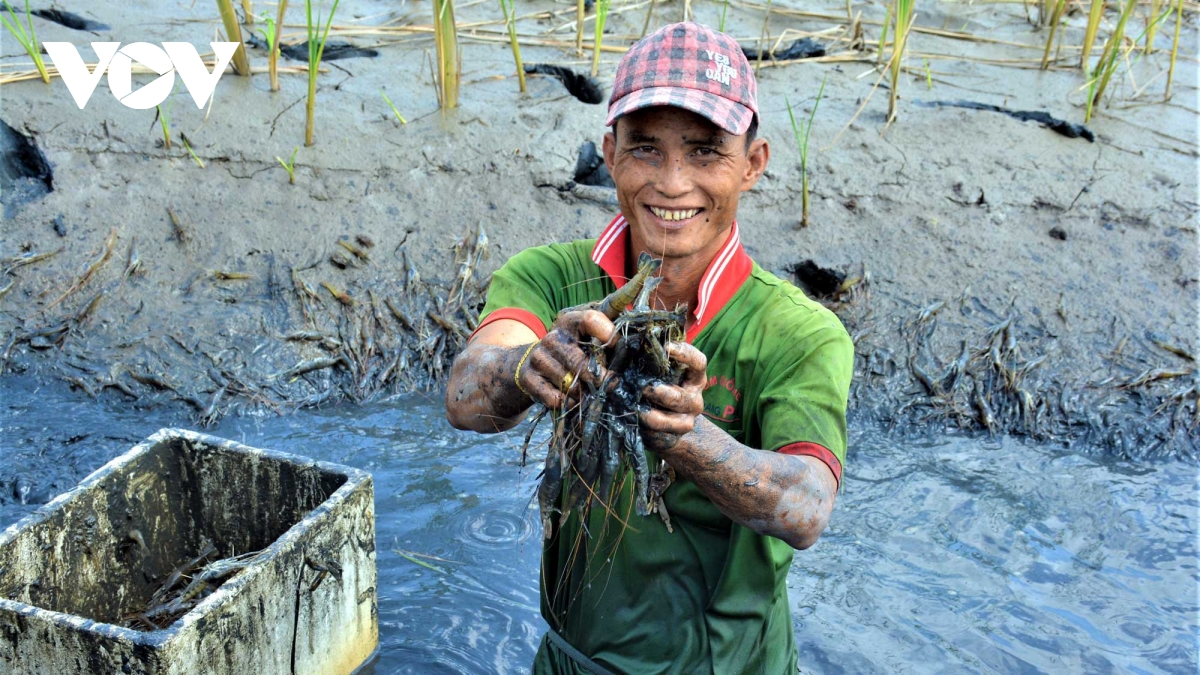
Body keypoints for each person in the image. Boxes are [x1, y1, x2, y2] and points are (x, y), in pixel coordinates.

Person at [445, 21, 853, 674]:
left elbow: (806, 507)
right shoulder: (552, 277)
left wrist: (691, 439)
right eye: (646, 150)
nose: (671, 183)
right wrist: (527, 365)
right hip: (569, 658)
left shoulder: (799, 332)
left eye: (704, 152)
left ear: (753, 164)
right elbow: (466, 398)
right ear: (609, 153)